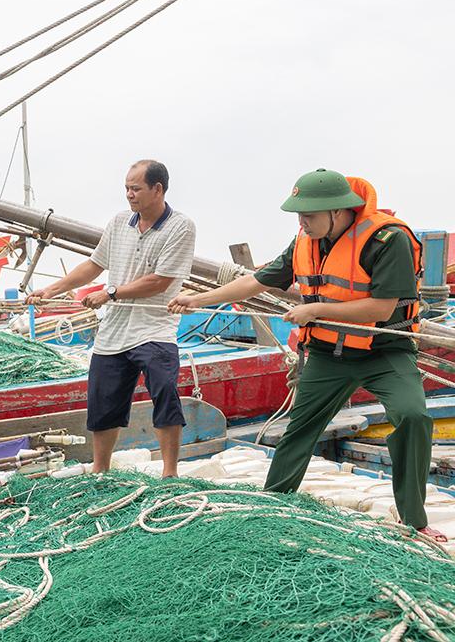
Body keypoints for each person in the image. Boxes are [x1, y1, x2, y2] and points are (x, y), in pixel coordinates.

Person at [168, 168, 444, 541]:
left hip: (385, 353)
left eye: (309, 215)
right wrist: (199, 300)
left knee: (413, 416)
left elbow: (381, 307)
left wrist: (314, 310)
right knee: (298, 430)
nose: (302, 222)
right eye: (299, 215)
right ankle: (272, 505)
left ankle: (414, 520)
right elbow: (256, 281)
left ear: (338, 211)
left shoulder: (387, 239)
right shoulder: (304, 240)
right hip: (328, 354)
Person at [27, 159, 196, 476]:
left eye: (136, 188)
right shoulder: (119, 222)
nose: (129, 194)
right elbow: (94, 265)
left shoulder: (181, 227)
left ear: (158, 189)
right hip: (114, 331)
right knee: (102, 401)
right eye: (126, 188)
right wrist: (52, 289)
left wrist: (110, 293)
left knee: (165, 392)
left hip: (155, 328)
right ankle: (100, 470)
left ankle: (170, 473)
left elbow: (160, 281)